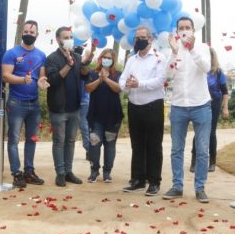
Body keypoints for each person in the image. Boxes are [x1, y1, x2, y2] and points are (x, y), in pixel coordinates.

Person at [163, 17, 212, 203]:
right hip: (178, 106)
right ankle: (177, 186)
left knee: (202, 149)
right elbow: (167, 75)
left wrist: (191, 49)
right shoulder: (175, 50)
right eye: (181, 28)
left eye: (187, 27)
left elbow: (206, 67)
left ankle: (200, 188)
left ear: (193, 30)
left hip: (201, 104)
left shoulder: (202, 47)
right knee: (176, 149)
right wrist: (175, 53)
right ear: (177, 31)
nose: (184, 31)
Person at [119, 26, 167, 196]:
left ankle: (154, 181)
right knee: (137, 145)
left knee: (153, 145)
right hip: (134, 106)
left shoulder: (159, 58)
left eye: (142, 37)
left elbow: (160, 80)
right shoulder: (132, 60)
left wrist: (140, 84)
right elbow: (122, 79)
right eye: (136, 38)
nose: (139, 40)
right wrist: (126, 85)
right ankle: (138, 179)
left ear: (150, 39)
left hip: (153, 105)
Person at [1, 21, 49, 188]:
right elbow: (6, 76)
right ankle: (17, 173)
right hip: (16, 103)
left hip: (34, 103)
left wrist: (42, 81)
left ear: (37, 34)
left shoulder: (41, 55)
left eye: (32, 31)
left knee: (32, 139)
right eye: (26, 30)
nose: (28, 33)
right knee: (13, 139)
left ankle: (29, 171)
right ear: (22, 32)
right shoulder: (11, 53)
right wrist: (22, 79)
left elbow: (41, 75)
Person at [44, 27, 89, 187]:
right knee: (59, 141)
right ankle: (60, 173)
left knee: (70, 141)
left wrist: (86, 62)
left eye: (71, 37)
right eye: (65, 37)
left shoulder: (77, 56)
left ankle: (69, 171)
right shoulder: (52, 58)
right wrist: (68, 65)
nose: (69, 39)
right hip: (58, 108)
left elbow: (85, 76)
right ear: (58, 39)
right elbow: (54, 80)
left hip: (74, 107)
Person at [85, 48, 123, 183]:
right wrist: (100, 79)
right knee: (94, 143)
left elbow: (119, 88)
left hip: (113, 116)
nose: (106, 60)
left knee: (110, 145)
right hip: (95, 116)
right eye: (104, 57)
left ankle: (107, 172)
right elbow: (88, 88)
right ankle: (94, 171)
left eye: (109, 58)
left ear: (113, 61)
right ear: (100, 59)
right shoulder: (93, 73)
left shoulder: (118, 74)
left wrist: (106, 79)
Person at [190, 47, 229, 174]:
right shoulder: (198, 70)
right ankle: (194, 161)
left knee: (211, 132)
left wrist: (225, 108)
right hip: (199, 103)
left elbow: (225, 92)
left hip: (214, 103)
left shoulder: (218, 73)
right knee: (198, 132)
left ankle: (212, 162)